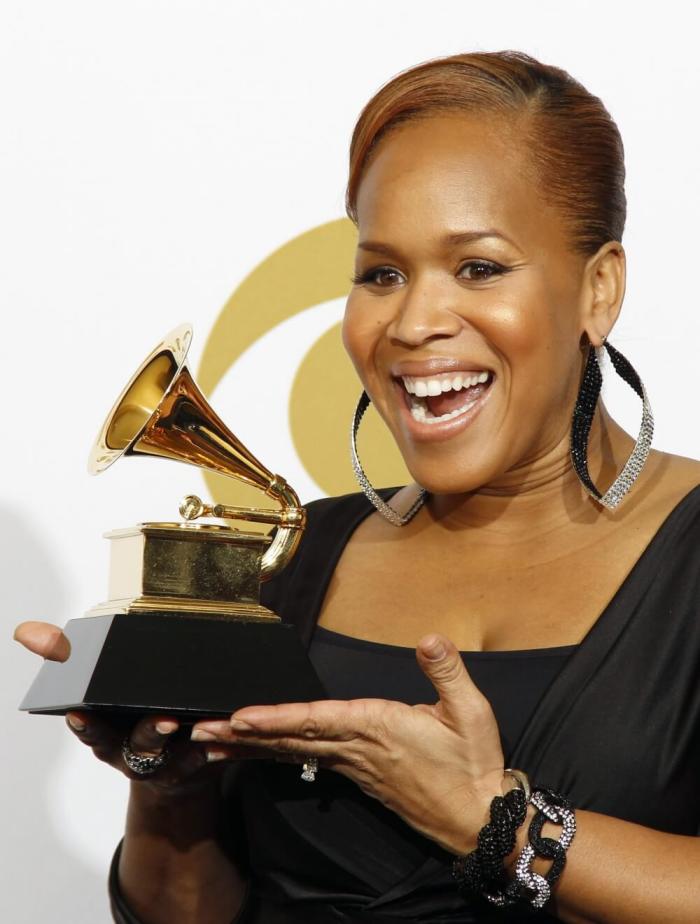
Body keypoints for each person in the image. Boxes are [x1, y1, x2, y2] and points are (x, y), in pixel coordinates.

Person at [15, 50, 700, 923]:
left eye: (479, 268)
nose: (413, 323)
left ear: (599, 289)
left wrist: (496, 826)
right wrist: (168, 785)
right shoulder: (294, 560)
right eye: (381, 273)